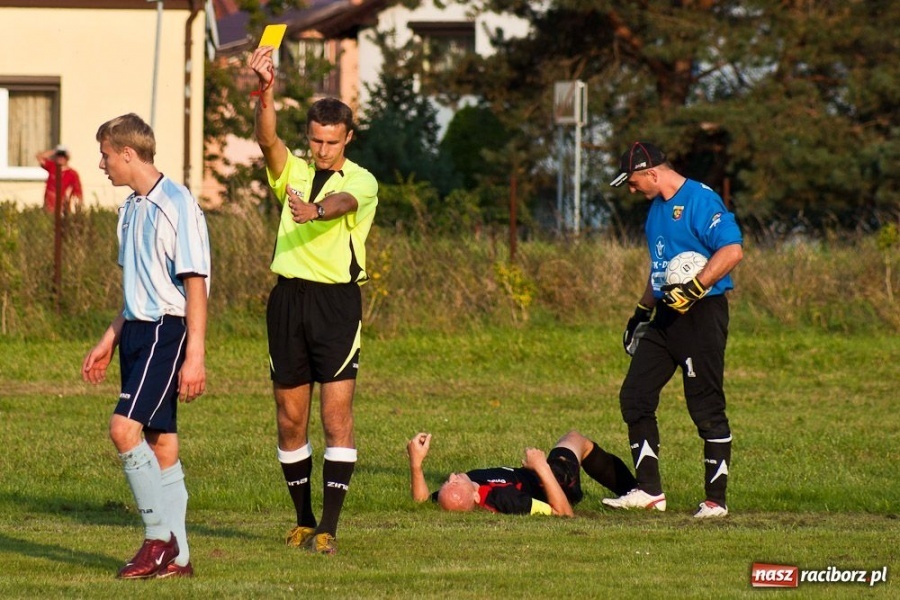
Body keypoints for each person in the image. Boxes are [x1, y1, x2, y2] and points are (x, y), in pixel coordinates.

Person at [249, 45, 378, 555]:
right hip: (288, 301)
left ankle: (330, 526)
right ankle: (302, 520)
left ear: (347, 137)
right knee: (289, 416)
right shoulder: (293, 171)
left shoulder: (362, 181)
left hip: (336, 306)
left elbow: (344, 204)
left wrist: (315, 211)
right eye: (316, 141)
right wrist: (265, 89)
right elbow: (266, 139)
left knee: (336, 417)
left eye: (332, 142)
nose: (323, 150)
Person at [81, 113, 211, 578]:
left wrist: (194, 355)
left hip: (165, 331)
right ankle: (181, 561)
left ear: (128, 154)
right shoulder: (130, 208)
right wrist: (109, 338)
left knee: (123, 430)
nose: (102, 164)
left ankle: (158, 539)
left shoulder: (176, 203)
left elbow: (195, 284)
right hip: (136, 331)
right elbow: (135, 287)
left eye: (106, 154)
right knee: (162, 444)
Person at [604, 141, 743, 519]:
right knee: (635, 396)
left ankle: (716, 501)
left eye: (632, 182)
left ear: (652, 172)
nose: (631, 190)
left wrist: (696, 288)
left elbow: (732, 250)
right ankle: (649, 492)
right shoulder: (654, 213)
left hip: (702, 315)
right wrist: (639, 312)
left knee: (706, 408)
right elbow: (660, 269)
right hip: (666, 316)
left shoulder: (700, 200)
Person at [407, 431, 638, 516]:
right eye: (454, 482)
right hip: (556, 482)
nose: (451, 477)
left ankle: (636, 494)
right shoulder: (505, 499)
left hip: (539, 474)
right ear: (476, 498)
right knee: (576, 440)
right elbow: (563, 512)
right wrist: (541, 467)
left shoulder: (458, 496)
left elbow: (422, 500)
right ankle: (636, 492)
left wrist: (416, 464)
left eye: (448, 482)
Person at [37, 144, 83, 214]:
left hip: (62, 210)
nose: (60, 158)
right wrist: (54, 151)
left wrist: (77, 210)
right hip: (48, 208)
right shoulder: (52, 167)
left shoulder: (72, 174)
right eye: (58, 155)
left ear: (67, 158)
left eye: (63, 156)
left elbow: (78, 194)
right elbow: (39, 157)